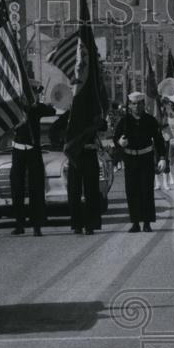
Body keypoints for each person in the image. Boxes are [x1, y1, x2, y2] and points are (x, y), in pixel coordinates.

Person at [6, 86, 55, 236]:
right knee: (17, 187)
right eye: (30, 92)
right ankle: (19, 224)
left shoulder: (35, 108)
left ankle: (37, 225)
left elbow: (51, 112)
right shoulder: (14, 108)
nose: (31, 95)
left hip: (33, 150)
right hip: (18, 150)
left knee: (36, 187)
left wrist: (40, 105)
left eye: (33, 93)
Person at [114, 91, 166, 232]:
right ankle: (135, 222)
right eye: (133, 104)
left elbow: (159, 140)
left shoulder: (150, 120)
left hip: (146, 159)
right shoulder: (124, 121)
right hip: (130, 159)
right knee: (132, 191)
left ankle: (147, 222)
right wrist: (120, 141)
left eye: (139, 104)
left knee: (146, 191)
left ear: (144, 104)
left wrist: (162, 158)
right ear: (129, 105)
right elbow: (115, 138)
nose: (136, 106)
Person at [57, 85, 106, 236]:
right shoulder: (69, 116)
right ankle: (77, 225)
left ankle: (90, 225)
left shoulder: (92, 114)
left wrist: (98, 120)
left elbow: (103, 126)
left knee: (91, 191)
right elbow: (54, 131)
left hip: (89, 153)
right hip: (74, 157)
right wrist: (64, 140)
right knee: (74, 192)